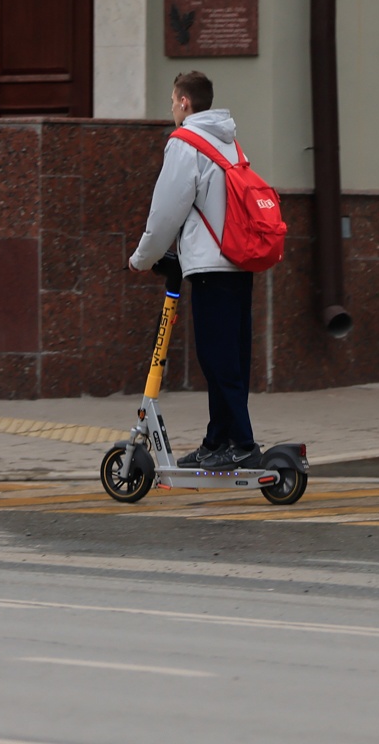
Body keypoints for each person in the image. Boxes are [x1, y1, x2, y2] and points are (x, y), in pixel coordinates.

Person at [127, 71, 257, 470]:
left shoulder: (185, 143)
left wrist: (142, 258)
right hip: (239, 261)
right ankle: (218, 441)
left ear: (185, 102)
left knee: (218, 359)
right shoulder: (227, 140)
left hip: (210, 267)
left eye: (172, 101)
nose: (171, 108)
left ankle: (244, 444)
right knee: (230, 355)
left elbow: (167, 210)